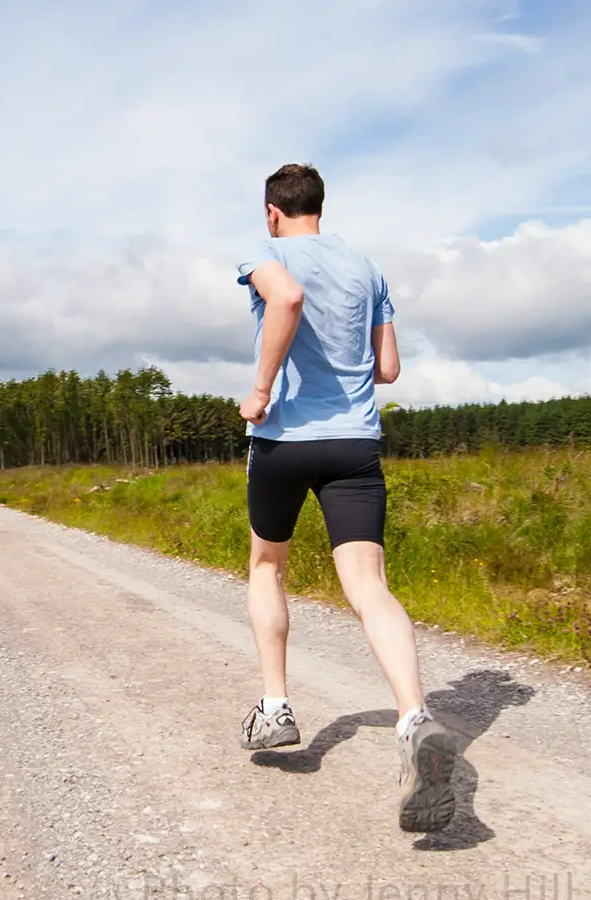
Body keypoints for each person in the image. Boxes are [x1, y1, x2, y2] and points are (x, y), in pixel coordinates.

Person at [233, 163, 456, 833]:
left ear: (273, 212)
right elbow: (387, 367)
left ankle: (276, 707)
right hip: (354, 444)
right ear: (319, 207)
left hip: (283, 441)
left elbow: (287, 299)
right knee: (368, 586)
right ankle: (413, 716)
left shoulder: (264, 253)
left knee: (267, 565)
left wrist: (262, 390)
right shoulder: (366, 267)